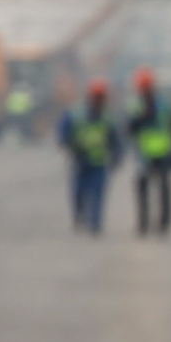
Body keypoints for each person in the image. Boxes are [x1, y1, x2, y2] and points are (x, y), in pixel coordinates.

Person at [126, 67, 171, 238]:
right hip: (144, 155)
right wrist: (141, 118)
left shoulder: (163, 105)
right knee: (142, 188)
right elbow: (129, 129)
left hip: (163, 153)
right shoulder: (135, 106)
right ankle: (144, 223)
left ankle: (163, 224)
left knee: (164, 190)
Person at [59, 79, 121, 235]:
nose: (98, 100)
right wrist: (69, 145)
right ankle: (79, 215)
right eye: (96, 97)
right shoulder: (76, 114)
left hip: (99, 163)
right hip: (81, 160)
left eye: (101, 97)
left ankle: (95, 223)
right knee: (79, 192)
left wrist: (116, 155)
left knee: (98, 193)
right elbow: (63, 132)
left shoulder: (108, 117)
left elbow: (116, 140)